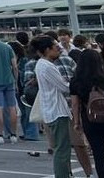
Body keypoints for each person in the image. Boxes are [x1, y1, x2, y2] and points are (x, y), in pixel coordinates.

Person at [70, 49, 104, 178]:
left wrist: (76, 122)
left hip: (90, 120)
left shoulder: (76, 81)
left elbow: (75, 104)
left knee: (99, 155)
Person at [33, 35, 73, 178]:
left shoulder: (42, 64)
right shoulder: (47, 66)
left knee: (61, 148)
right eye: (56, 47)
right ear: (47, 49)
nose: (59, 50)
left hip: (52, 109)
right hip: (56, 110)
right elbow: (64, 87)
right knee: (62, 150)